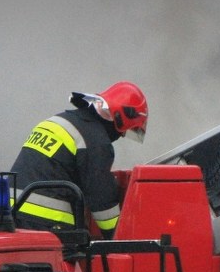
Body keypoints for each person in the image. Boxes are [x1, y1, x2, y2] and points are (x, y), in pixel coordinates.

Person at [10, 81, 148, 239]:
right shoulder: (95, 141)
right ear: (120, 117)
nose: (122, 135)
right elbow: (102, 200)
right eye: (124, 131)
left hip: (11, 214)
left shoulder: (59, 121)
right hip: (48, 222)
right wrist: (120, 238)